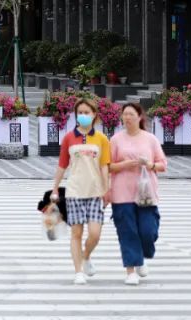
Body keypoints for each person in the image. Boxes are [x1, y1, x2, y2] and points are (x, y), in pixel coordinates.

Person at [49, 98, 111, 285]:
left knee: (95, 233)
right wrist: (55, 188)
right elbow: (62, 165)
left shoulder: (102, 139)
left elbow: (104, 166)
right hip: (74, 191)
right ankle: (78, 272)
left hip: (95, 192)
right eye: (80, 113)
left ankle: (86, 256)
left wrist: (106, 189)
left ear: (94, 115)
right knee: (76, 232)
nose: (83, 116)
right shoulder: (69, 137)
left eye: (87, 112)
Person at [108, 102, 167, 286]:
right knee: (128, 232)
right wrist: (126, 164)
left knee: (148, 231)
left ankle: (141, 255)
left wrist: (149, 165)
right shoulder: (116, 140)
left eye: (131, 114)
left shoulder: (150, 139)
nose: (127, 118)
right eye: (124, 114)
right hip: (121, 193)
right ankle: (131, 270)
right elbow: (108, 166)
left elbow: (162, 164)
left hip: (145, 194)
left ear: (140, 117)